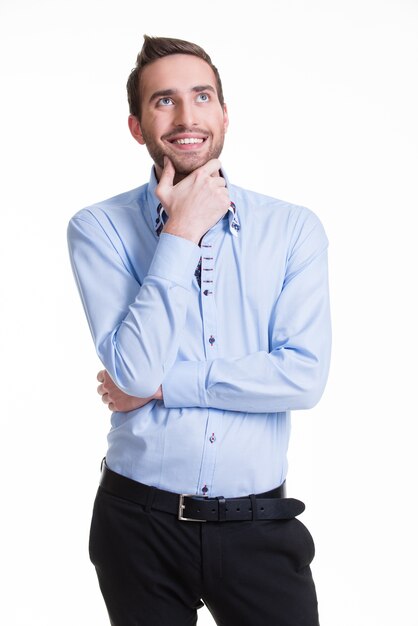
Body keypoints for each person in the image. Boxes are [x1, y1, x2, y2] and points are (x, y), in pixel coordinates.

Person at [67, 35, 331, 626]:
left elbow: (303, 376)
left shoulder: (292, 231)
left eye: (202, 96)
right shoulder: (99, 229)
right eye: (164, 101)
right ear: (137, 126)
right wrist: (179, 233)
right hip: (137, 526)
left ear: (224, 113)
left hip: (260, 527)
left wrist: (166, 387)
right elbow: (132, 370)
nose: (187, 117)